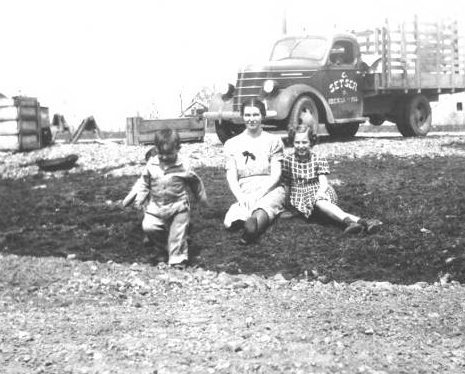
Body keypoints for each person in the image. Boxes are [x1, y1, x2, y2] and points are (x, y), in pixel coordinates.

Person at [123, 128, 208, 269]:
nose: (165, 157)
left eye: (169, 154)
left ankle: (177, 259)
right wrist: (140, 199)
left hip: (178, 206)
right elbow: (144, 182)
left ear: (178, 149)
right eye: (161, 153)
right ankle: (162, 250)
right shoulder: (151, 164)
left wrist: (201, 198)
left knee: (177, 233)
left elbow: (195, 181)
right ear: (156, 149)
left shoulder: (184, 165)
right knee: (149, 227)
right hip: (156, 206)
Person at [280, 124, 382, 235]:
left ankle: (349, 223)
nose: (300, 146)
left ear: (311, 142)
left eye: (304, 142)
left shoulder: (318, 159)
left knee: (320, 203)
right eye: (297, 142)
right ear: (292, 142)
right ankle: (365, 222)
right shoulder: (288, 161)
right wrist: (287, 206)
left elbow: (323, 181)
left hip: (319, 190)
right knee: (325, 213)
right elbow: (287, 184)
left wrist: (320, 193)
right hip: (300, 196)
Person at [223, 98, 286, 244]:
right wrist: (240, 196)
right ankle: (244, 220)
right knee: (231, 220)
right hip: (245, 188)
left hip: (270, 187)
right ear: (242, 116)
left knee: (264, 206)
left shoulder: (274, 141)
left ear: (262, 116)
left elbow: (276, 174)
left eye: (255, 115)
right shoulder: (232, 144)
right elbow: (231, 176)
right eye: (248, 115)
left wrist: (259, 194)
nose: (251, 119)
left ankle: (252, 229)